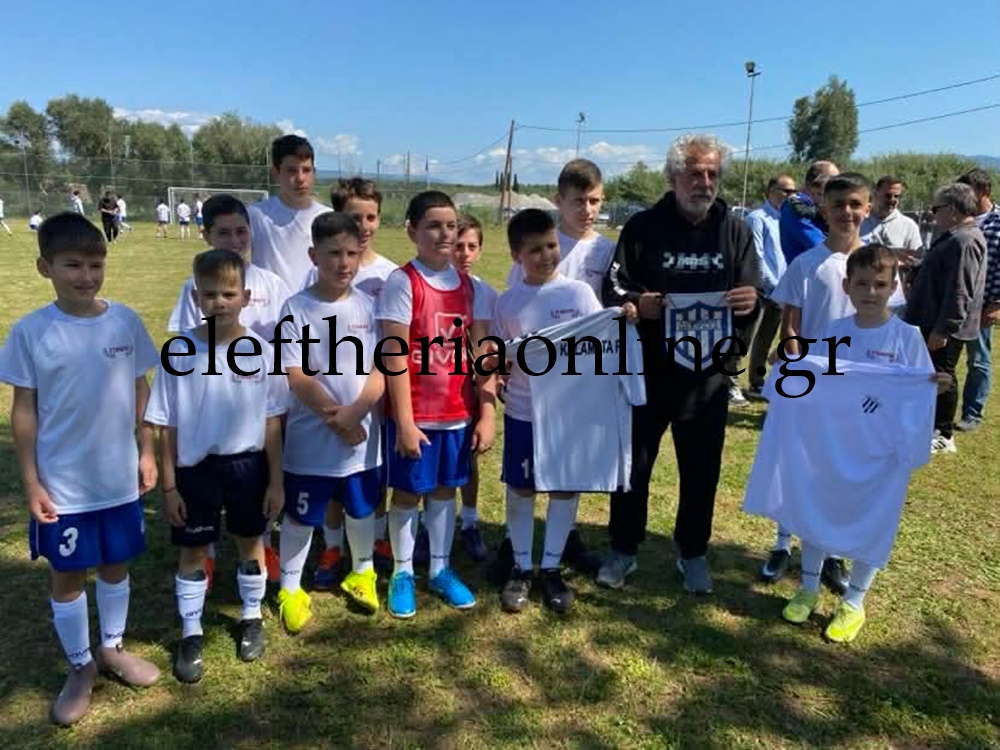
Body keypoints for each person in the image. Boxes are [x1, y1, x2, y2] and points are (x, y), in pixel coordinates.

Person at [0, 213, 161, 725]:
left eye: (95, 265)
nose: (86, 276)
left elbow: (140, 390)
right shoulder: (32, 332)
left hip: (118, 480)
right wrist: (31, 482)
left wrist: (147, 450)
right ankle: (79, 665)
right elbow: (24, 411)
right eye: (73, 265)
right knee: (68, 576)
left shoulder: (125, 322)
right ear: (45, 267)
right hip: (63, 486)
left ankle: (112, 648)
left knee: (115, 565)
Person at [744, 243, 945, 643]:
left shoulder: (906, 338)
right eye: (862, 284)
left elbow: (915, 394)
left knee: (873, 521)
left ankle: (854, 602)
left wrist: (931, 386)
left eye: (880, 284)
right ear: (846, 286)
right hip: (831, 445)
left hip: (880, 455)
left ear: (895, 287)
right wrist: (788, 367)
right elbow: (813, 382)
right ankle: (808, 588)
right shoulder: (835, 333)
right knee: (818, 511)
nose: (871, 292)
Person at [598, 133, 761, 594]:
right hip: (648, 372)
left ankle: (693, 553)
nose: (704, 182)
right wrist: (639, 302)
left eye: (712, 173)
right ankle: (623, 548)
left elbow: (753, 293)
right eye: (695, 173)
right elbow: (613, 288)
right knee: (633, 466)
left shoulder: (735, 231)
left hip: (706, 379)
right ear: (673, 177)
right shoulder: (643, 227)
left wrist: (750, 302)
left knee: (702, 470)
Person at [145, 249, 287, 683]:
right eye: (209, 294)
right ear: (195, 297)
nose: (219, 302)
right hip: (195, 470)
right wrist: (169, 487)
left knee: (250, 542)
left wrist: (276, 482)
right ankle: (191, 632)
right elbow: (166, 424)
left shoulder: (262, 352)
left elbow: (272, 421)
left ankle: (251, 617)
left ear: (245, 297)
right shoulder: (179, 351)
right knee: (192, 550)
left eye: (228, 293)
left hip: (248, 466)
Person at [764, 173, 903, 588]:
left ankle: (832, 553)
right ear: (823, 209)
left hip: (857, 392)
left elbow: (889, 328)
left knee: (843, 469)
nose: (847, 212)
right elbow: (791, 327)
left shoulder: (879, 265)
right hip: (812, 386)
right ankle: (782, 543)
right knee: (798, 465)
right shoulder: (807, 264)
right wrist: (796, 360)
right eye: (838, 204)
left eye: (855, 204)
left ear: (868, 207)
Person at [377, 190, 496, 619]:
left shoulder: (471, 287)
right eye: (433, 226)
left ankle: (441, 569)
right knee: (409, 492)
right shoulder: (402, 282)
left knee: (446, 490)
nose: (445, 234)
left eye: (451, 225)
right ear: (412, 230)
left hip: (457, 414)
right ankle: (403, 571)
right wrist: (405, 422)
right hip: (417, 415)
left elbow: (482, 353)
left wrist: (486, 411)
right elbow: (393, 357)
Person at [166, 194, 293, 586]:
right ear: (207, 235)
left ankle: (262, 545)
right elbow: (188, 345)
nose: (235, 240)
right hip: (210, 406)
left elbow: (285, 341)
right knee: (204, 493)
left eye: (241, 231)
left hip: (257, 399)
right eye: (224, 233)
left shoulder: (272, 283)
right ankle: (204, 552)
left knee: (255, 492)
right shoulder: (195, 285)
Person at [492, 209, 609, 614]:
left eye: (551, 245)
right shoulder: (507, 302)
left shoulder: (578, 294)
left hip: (568, 413)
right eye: (535, 250)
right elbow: (498, 354)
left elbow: (602, 341)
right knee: (521, 487)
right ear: (516, 255)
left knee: (563, 487)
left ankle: (552, 568)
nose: (546, 255)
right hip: (524, 412)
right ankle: (522, 568)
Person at [276, 212, 386, 631]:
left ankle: (362, 572)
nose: (344, 263)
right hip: (311, 441)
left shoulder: (369, 307)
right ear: (313, 255)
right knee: (301, 515)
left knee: (361, 508)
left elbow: (381, 368)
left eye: (352, 254)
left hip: (362, 438)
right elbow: (297, 375)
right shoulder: (296, 308)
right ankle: (290, 588)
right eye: (333, 253)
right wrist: (339, 420)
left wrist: (358, 411)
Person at [308, 177, 398, 590]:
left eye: (371, 217)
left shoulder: (391, 274)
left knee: (371, 476)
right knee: (331, 477)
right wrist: (334, 411)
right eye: (354, 217)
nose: (363, 226)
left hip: (373, 396)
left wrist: (363, 404)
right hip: (328, 400)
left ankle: (376, 539)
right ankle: (332, 545)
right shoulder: (316, 275)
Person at [904, 182, 987, 454]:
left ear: (951, 210)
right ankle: (931, 426)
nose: (933, 214)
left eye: (935, 208)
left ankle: (943, 433)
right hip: (934, 320)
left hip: (943, 326)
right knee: (933, 374)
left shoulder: (965, 240)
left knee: (943, 376)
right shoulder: (956, 237)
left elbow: (960, 290)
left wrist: (944, 329)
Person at [451, 213, 498, 562]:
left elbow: (490, 349)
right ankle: (428, 526)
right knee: (434, 461)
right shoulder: (429, 284)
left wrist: (487, 405)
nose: (464, 253)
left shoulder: (485, 293)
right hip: (436, 387)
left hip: (470, 386)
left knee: (468, 457)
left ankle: (469, 522)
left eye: (472, 246)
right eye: (458, 246)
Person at [507, 158, 616, 297]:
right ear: (559, 200)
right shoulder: (538, 247)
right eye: (579, 201)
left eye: (594, 201)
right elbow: (517, 295)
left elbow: (615, 303)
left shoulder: (610, 251)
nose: (587, 210)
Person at [249, 135, 330, 292]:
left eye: (306, 170)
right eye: (291, 171)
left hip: (311, 305)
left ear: (314, 172)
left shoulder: (328, 217)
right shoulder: (255, 215)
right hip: (270, 306)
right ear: (275, 172)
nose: (300, 178)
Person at [954, 169, 1000, 433]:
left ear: (984, 191)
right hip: (956, 302)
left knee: (978, 361)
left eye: (968, 191)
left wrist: (997, 304)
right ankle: (940, 411)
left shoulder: (998, 222)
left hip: (983, 303)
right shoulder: (960, 219)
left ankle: (972, 413)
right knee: (947, 360)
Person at [742, 175, 796, 399]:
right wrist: (772, 286)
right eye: (785, 191)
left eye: (793, 192)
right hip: (761, 289)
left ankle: (758, 382)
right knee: (746, 337)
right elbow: (756, 256)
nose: (790, 196)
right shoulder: (757, 218)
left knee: (768, 338)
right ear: (770, 190)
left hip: (781, 291)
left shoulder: (788, 220)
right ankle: (733, 382)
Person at [779, 160, 839, 264]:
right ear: (817, 182)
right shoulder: (796, 206)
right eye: (835, 182)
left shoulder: (817, 205)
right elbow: (819, 246)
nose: (839, 188)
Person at [860, 176, 924, 261]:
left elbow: (917, 258)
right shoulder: (859, 221)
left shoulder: (909, 226)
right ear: (875, 193)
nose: (892, 200)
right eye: (888, 196)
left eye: (896, 196)